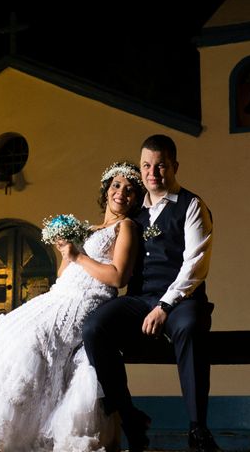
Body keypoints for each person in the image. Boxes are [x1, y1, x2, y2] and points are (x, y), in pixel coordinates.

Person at [0, 162, 145, 452]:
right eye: (117, 185)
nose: (122, 193)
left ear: (136, 199)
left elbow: (118, 276)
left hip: (88, 300)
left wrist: (77, 256)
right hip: (59, 295)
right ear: (106, 191)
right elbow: (63, 275)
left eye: (130, 190)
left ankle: (1, 441)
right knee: (5, 340)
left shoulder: (126, 226)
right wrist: (65, 252)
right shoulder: (87, 228)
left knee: (31, 345)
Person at [83, 135, 221, 452]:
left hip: (182, 299)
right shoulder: (132, 212)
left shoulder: (192, 205)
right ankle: (129, 416)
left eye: (160, 166)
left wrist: (164, 306)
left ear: (174, 166)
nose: (152, 173)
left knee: (189, 328)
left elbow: (195, 266)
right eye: (147, 165)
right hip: (139, 299)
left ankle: (198, 429)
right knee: (94, 327)